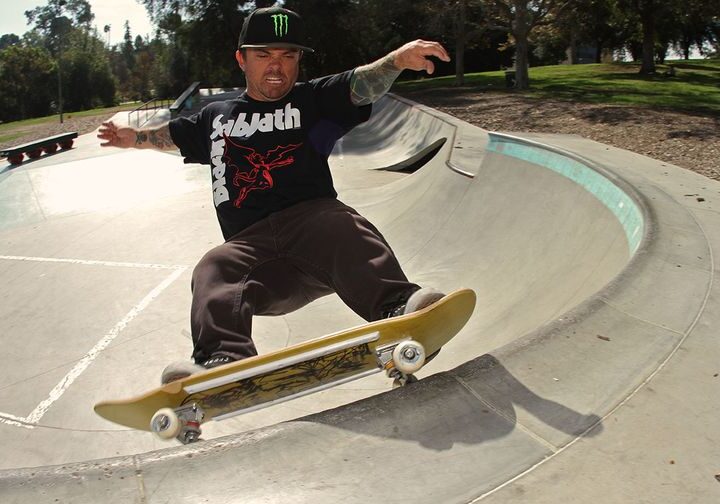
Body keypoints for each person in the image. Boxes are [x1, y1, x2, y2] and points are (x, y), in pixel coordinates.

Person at [97, 6, 452, 384]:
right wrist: (135, 139)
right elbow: (173, 135)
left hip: (315, 234)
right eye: (264, 55)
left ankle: (398, 307)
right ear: (242, 59)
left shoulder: (313, 102)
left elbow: (358, 84)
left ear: (298, 60)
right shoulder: (215, 116)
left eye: (288, 56)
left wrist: (397, 60)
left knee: (337, 222)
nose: (276, 67)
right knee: (213, 267)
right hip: (257, 258)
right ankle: (223, 362)